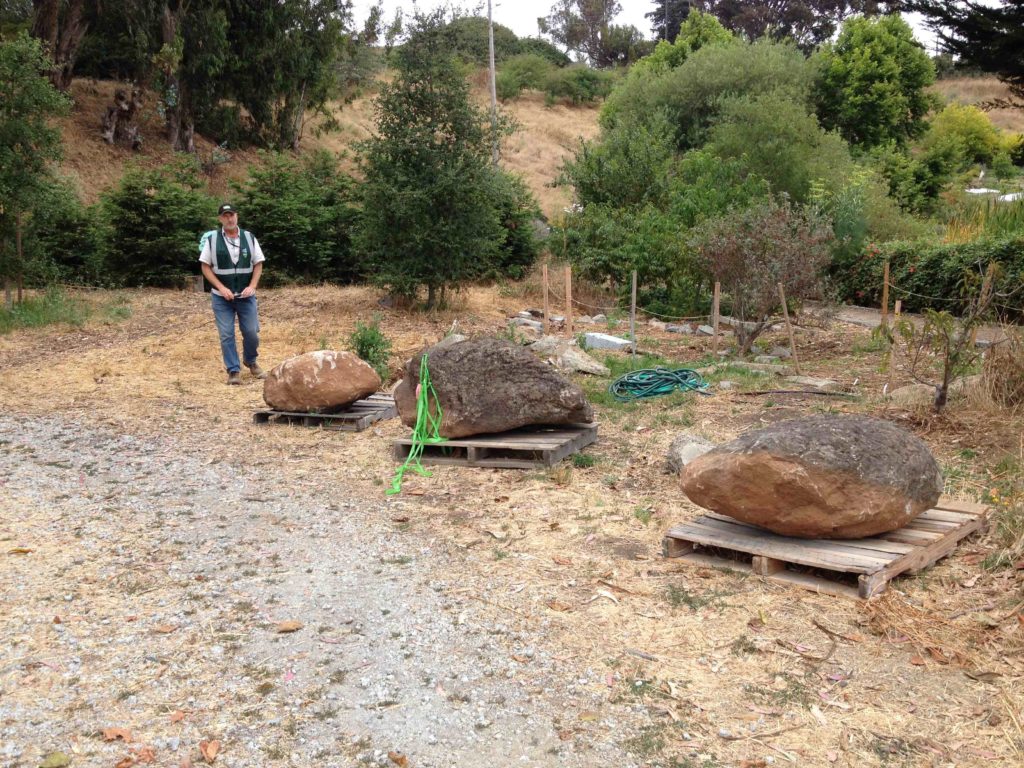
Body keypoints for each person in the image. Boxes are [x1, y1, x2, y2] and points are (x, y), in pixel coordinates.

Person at [199, 202, 267, 385]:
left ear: (237, 216)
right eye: (225, 215)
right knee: (226, 334)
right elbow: (205, 267)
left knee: (252, 332)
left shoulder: (249, 237)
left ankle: (250, 361)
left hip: (246, 296)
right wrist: (221, 288)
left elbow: (258, 263)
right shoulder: (212, 240)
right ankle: (233, 370)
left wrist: (252, 285)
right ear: (220, 218)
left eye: (232, 215)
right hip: (222, 298)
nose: (229, 218)